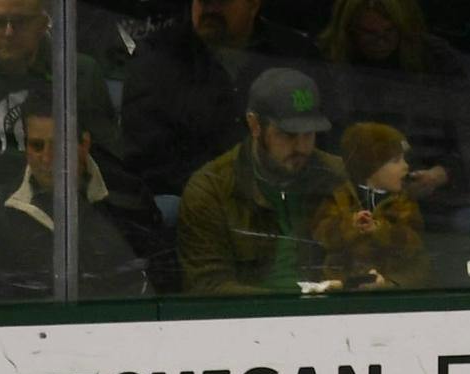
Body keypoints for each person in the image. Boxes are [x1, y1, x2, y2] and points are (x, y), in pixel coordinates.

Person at [315, 0, 470, 241]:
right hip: (359, 198)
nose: (381, 42)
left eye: (389, 32)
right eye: (370, 34)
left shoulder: (436, 60)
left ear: (404, 28)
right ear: (349, 31)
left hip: (440, 195)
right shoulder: (327, 65)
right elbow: (326, 147)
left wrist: (443, 173)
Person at [0, 86, 164, 298]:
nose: (46, 159)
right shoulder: (1, 213)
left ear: (84, 144)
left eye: (58, 147)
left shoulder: (128, 197)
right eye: (37, 146)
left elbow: (160, 277)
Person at [121, 0, 321, 199]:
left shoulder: (296, 56)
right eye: (203, 1)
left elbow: (325, 139)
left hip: (292, 202)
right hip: (195, 206)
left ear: (254, 4)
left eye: (221, 1)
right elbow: (148, 161)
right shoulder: (159, 57)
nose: (210, 8)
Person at [0, 0, 122, 203]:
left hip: (75, 204)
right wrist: (8, 202)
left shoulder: (81, 73)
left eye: (20, 22)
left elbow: (107, 158)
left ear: (42, 24)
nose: (9, 32)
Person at [178, 67, 348, 294]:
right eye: (287, 135)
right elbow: (208, 287)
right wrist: (291, 305)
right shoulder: (211, 190)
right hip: (250, 321)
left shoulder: (336, 175)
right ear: (255, 125)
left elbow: (394, 258)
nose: (301, 147)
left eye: (309, 134)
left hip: (336, 315)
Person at [311, 120, 430, 288]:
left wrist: (380, 230)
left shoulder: (403, 201)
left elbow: (413, 242)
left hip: (394, 281)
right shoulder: (340, 196)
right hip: (344, 282)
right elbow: (321, 235)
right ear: (371, 167)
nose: (406, 166)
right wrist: (350, 225)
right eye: (396, 160)